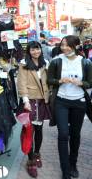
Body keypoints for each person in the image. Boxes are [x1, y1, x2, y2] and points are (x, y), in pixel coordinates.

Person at [47, 35, 92, 179]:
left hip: (79, 102)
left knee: (75, 135)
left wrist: (81, 83)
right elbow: (49, 80)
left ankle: (73, 164)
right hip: (61, 101)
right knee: (63, 134)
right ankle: (65, 170)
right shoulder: (56, 61)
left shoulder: (85, 62)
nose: (64, 48)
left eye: (68, 45)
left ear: (76, 46)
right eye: (62, 45)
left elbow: (90, 82)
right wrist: (60, 80)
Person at [17, 41, 51, 178]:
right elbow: (22, 84)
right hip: (30, 100)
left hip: (42, 100)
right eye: (33, 50)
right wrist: (25, 101)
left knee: (39, 129)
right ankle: (30, 160)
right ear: (29, 51)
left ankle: (37, 154)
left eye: (37, 49)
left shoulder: (45, 63)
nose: (35, 52)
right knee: (28, 130)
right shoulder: (24, 64)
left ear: (41, 50)